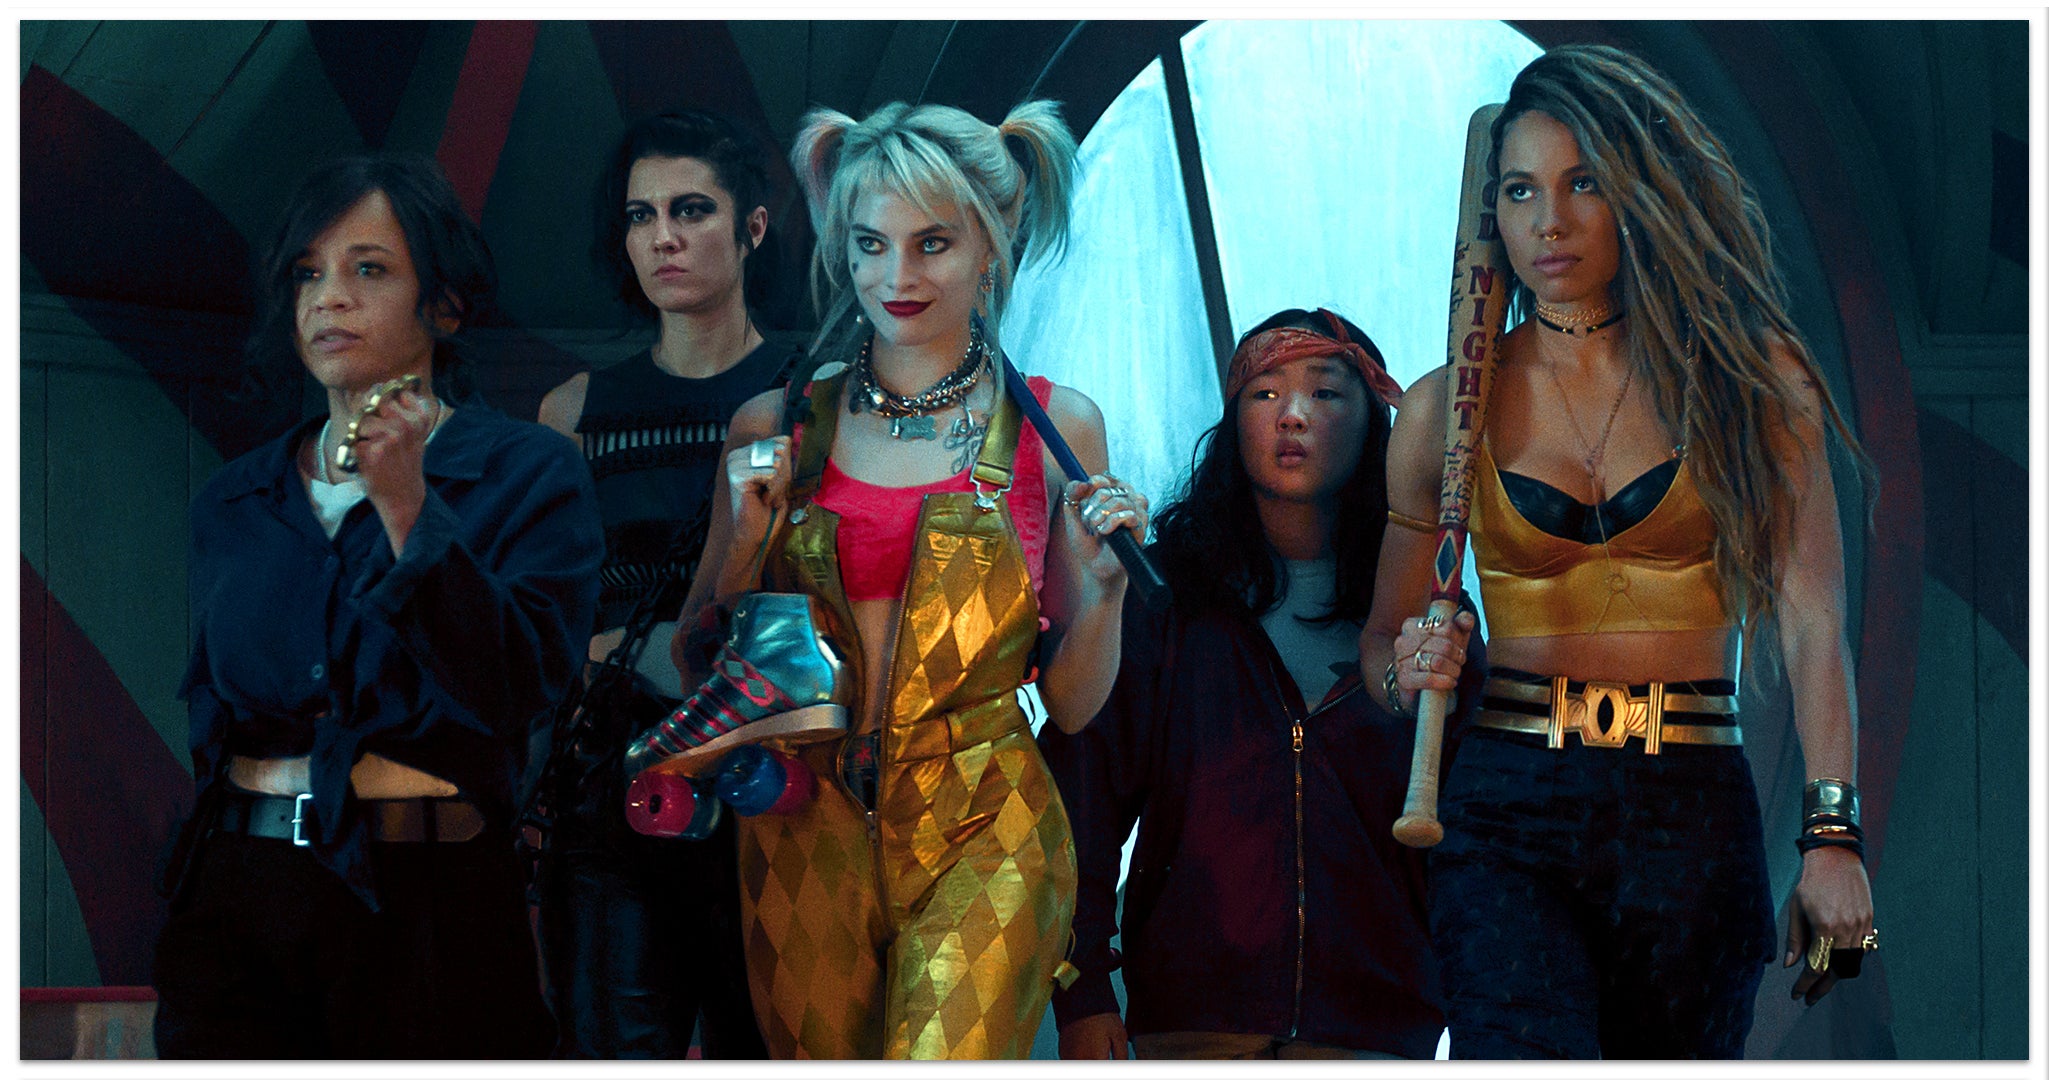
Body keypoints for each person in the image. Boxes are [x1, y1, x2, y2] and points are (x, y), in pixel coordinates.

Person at [1363, 45, 1879, 1059]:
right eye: (1520, 190)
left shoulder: (1749, 379)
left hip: (1692, 803)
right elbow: (1383, 644)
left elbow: (1815, 621)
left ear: (1636, 192)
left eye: (1582, 183)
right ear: (1492, 212)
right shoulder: (1442, 411)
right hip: (1508, 802)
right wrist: (1403, 671)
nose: (1548, 221)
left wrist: (1832, 838)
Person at [664, 98, 1145, 1060]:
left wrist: (1105, 589)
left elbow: (1073, 705)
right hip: (797, 817)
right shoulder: (775, 424)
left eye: (932, 243)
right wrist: (747, 545)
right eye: (870, 244)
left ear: (993, 239)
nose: (896, 277)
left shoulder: (1056, 428)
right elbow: (695, 665)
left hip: (987, 816)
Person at [152, 154, 603, 1058]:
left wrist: (407, 508)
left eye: (369, 268)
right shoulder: (236, 498)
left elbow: (520, 689)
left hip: (428, 895)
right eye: (307, 273)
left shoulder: (526, 472)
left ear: (444, 305)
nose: (330, 298)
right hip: (241, 892)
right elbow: (215, 713)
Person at [1042, 309, 1483, 1060]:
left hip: (1378, 1032)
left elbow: (1480, 825)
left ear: (1379, 426)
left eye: (1327, 392)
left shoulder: (1427, 614)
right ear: (1231, 423)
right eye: (1264, 394)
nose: (1293, 416)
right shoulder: (1163, 598)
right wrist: (1080, 991)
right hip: (1193, 1026)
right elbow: (1078, 792)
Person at [530, 109, 795, 1060]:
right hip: (618, 771)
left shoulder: (814, 392)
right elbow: (547, 617)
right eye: (641, 216)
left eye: (690, 210)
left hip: (777, 770)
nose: (663, 237)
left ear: (752, 227)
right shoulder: (575, 412)